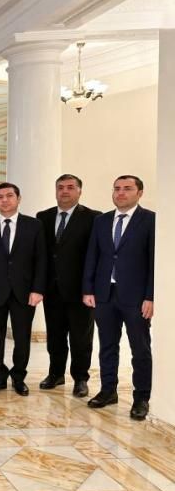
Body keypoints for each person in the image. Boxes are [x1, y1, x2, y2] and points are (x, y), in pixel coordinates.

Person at [83, 175, 155, 420]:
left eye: (127, 188)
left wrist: (150, 296)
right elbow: (92, 256)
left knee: (140, 349)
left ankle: (141, 398)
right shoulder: (101, 221)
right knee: (107, 345)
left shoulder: (150, 220)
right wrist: (88, 289)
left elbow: (154, 261)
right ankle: (108, 390)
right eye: (117, 188)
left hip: (136, 297)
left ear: (139, 193)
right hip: (104, 294)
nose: (121, 193)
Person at [0, 182, 46, 397]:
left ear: (18, 198)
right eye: (0, 197)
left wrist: (38, 289)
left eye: (9, 196)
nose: (4, 200)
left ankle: (19, 377)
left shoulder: (34, 226)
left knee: (22, 337)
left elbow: (41, 260)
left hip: (25, 292)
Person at [36, 175, 101, 398]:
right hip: (52, 289)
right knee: (55, 336)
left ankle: (81, 378)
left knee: (81, 338)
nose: (65, 191)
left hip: (81, 291)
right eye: (60, 187)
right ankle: (55, 374)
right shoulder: (43, 217)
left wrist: (91, 288)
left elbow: (96, 254)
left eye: (70, 187)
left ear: (79, 191)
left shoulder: (93, 217)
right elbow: (42, 254)